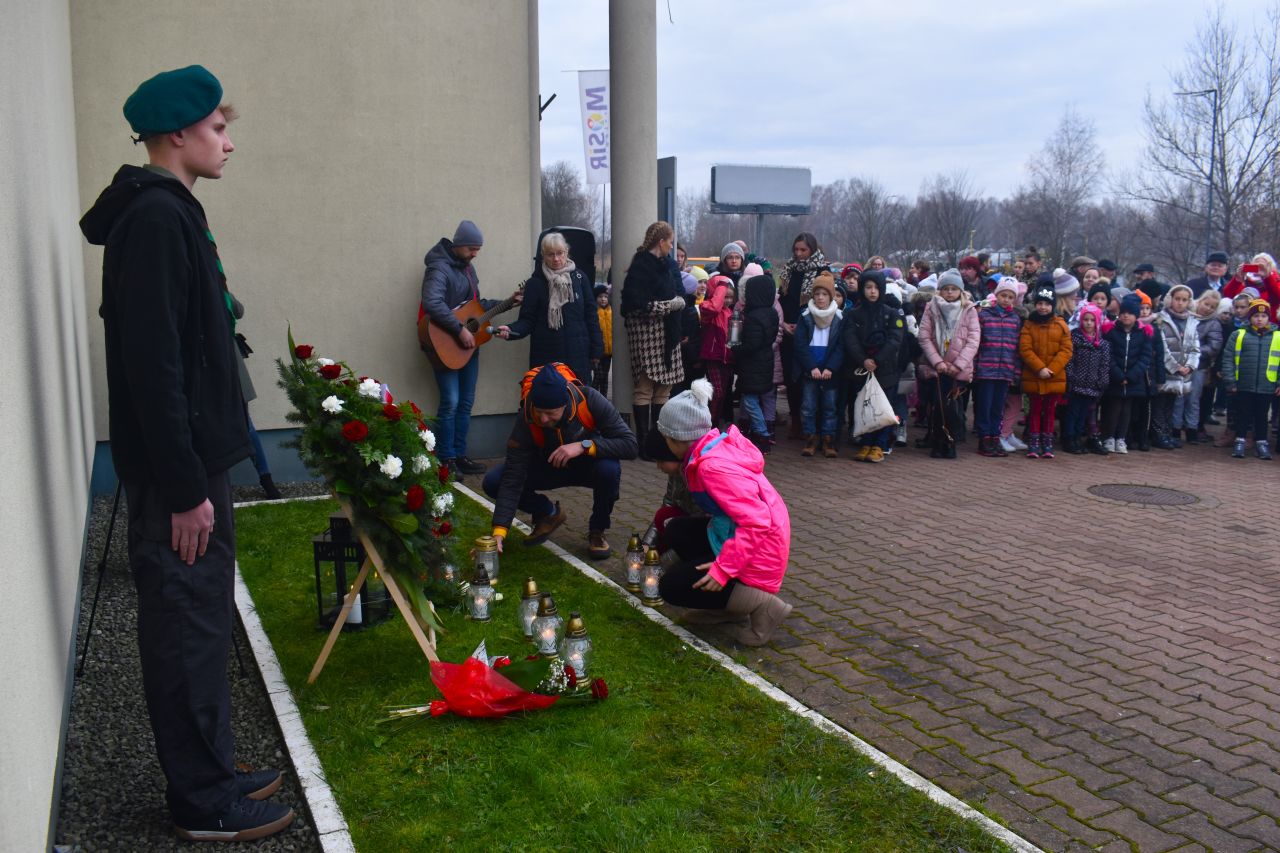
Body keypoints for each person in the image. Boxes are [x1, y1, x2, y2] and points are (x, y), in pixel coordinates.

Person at [79, 65, 293, 841]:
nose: (228, 143)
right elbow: (154, 365)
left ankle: (213, 766)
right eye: (217, 129)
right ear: (178, 134)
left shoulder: (170, 212)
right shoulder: (155, 220)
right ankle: (203, 802)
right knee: (183, 626)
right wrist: (182, 488)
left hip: (195, 463)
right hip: (180, 474)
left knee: (200, 621)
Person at [651, 380, 793, 646]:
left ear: (675, 439)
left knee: (671, 587)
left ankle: (763, 605)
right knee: (678, 530)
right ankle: (728, 608)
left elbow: (757, 522)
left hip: (762, 551)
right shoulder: (710, 449)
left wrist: (723, 569)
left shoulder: (711, 468)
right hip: (742, 537)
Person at [484, 363, 639, 559]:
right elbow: (513, 476)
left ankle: (597, 531)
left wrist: (584, 446)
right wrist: (499, 531)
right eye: (539, 411)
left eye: (550, 413)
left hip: (587, 465)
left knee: (609, 469)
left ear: (565, 404)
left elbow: (630, 444)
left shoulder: (590, 399)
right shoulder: (526, 416)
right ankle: (547, 512)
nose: (543, 419)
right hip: (549, 466)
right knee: (494, 481)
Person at [420, 219, 522, 477]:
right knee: (451, 402)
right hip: (444, 345)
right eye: (472, 248)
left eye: (478, 249)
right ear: (459, 244)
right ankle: (446, 459)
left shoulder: (468, 269)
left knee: (466, 402)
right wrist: (459, 330)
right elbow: (432, 302)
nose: (475, 254)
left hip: (468, 347)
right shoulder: (438, 267)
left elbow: (475, 306)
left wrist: (509, 302)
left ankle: (459, 454)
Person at [497, 230, 602, 381]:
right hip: (546, 358)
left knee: (579, 396)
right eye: (550, 254)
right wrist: (511, 330)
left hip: (578, 356)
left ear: (567, 252)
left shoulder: (580, 279)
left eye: (560, 253)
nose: (556, 259)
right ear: (543, 255)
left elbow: (591, 316)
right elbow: (527, 320)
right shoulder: (534, 283)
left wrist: (596, 350)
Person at [621, 221, 686, 455]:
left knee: (664, 390)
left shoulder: (669, 265)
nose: (672, 246)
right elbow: (634, 305)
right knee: (644, 388)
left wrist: (676, 304)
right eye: (670, 242)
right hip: (647, 334)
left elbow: (680, 293)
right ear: (661, 242)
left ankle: (657, 442)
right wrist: (669, 305)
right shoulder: (641, 266)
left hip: (669, 333)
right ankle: (644, 445)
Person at [917, 269, 980, 458]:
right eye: (946, 289)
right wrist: (937, 362)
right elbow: (924, 336)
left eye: (954, 289)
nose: (950, 292)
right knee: (937, 405)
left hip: (957, 369)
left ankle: (951, 442)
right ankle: (938, 441)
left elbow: (973, 340)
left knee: (953, 406)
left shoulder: (969, 310)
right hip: (937, 367)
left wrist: (958, 365)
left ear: (960, 290)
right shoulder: (931, 308)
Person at [844, 270, 905, 462]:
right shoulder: (853, 314)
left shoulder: (891, 314)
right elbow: (850, 339)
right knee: (864, 407)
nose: (872, 291)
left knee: (883, 408)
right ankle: (866, 442)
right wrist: (863, 360)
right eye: (868, 287)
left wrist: (877, 359)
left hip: (885, 370)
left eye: (876, 288)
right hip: (861, 369)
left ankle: (881, 444)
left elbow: (895, 339)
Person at [778, 233, 828, 438]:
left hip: (811, 330)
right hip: (789, 330)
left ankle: (813, 422)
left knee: (809, 376)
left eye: (803, 250)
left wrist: (803, 325)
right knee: (791, 377)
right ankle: (796, 419)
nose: (799, 254)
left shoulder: (822, 271)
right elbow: (782, 299)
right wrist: (783, 323)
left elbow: (824, 302)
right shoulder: (788, 270)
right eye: (796, 249)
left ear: (812, 250)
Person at [793, 272, 845, 458]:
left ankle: (828, 439)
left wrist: (831, 367)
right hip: (811, 371)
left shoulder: (839, 317)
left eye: (824, 294)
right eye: (817, 294)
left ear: (831, 296)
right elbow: (800, 345)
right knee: (808, 407)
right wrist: (811, 367)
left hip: (830, 372)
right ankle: (811, 438)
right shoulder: (805, 316)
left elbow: (841, 346)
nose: (820, 298)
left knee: (830, 407)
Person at [1019, 286, 1073, 458]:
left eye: (1047, 304)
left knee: (1050, 411)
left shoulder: (1061, 325)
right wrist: (1039, 368)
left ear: (1053, 306)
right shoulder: (1029, 324)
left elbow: (1066, 350)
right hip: (1034, 376)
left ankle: (1047, 441)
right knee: (1035, 410)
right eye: (1040, 303)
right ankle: (1034, 441)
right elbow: (1025, 349)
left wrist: (1052, 370)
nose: (1043, 307)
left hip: (1054, 377)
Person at [1224, 299, 1280, 459]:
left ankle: (1261, 443)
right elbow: (1228, 358)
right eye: (1256, 316)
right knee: (1243, 414)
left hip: (1267, 384)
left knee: (1262, 415)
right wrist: (1230, 381)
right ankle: (1240, 441)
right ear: (1250, 317)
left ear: (1269, 318)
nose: (1260, 319)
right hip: (1243, 383)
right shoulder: (1239, 335)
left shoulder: (1277, 337)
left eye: (1263, 316)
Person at [973, 279, 1023, 457]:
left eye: (1010, 297)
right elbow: (977, 344)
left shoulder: (1015, 319)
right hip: (986, 370)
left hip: (1005, 371)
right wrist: (974, 367)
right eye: (1003, 295)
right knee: (985, 406)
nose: (1006, 299)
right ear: (997, 295)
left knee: (998, 407)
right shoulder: (984, 316)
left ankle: (995, 437)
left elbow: (1016, 348)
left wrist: (1015, 372)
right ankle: (984, 439)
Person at [734, 273, 782, 453]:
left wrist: (736, 348)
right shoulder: (771, 313)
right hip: (765, 361)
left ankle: (762, 434)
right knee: (758, 397)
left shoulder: (754, 317)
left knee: (750, 400)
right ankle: (758, 433)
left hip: (753, 365)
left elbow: (751, 344)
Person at [1100, 295, 1153, 453]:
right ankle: (1109, 437)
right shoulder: (1111, 332)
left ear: (1136, 315)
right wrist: (1118, 374)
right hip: (1115, 378)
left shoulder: (1143, 333)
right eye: (1123, 312)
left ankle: (1121, 438)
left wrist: (1131, 376)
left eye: (1129, 313)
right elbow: (1108, 355)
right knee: (1113, 408)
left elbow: (1145, 357)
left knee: (1127, 410)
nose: (1125, 316)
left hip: (1133, 380)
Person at [1150, 284, 1200, 447]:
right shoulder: (1161, 319)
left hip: (1183, 372)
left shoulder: (1192, 321)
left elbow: (1195, 347)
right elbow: (1162, 347)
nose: (1180, 303)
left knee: (1171, 404)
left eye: (1184, 300)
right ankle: (1158, 434)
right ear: (1170, 299)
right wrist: (1175, 367)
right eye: (1177, 299)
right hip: (1166, 371)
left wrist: (1190, 366)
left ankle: (1167, 433)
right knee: (1160, 403)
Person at [1063, 303, 1111, 455]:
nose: (1089, 323)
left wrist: (1102, 382)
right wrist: (1071, 377)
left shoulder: (1102, 344)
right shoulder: (1075, 339)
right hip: (1076, 384)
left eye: (1092, 320)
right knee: (1073, 413)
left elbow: (1104, 365)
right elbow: (1070, 361)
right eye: (1086, 320)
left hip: (1092, 386)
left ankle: (1078, 438)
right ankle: (1069, 439)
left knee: (1083, 414)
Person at [698, 273, 736, 427]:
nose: (727, 300)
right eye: (724, 296)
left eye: (730, 297)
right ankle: (709, 423)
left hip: (727, 358)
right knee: (717, 392)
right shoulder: (707, 307)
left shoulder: (731, 313)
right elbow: (715, 307)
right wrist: (722, 284)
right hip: (713, 357)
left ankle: (714, 422)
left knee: (722, 394)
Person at [1191, 290, 1225, 441]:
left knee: (1195, 398)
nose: (1208, 309)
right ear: (1200, 301)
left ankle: (1194, 428)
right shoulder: (1187, 315)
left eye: (1213, 307)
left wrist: (1193, 351)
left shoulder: (1214, 323)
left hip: (1200, 365)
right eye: (1206, 304)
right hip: (1178, 363)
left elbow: (1214, 346)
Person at [592, 284, 613, 396]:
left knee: (604, 376)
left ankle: (603, 397)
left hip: (608, 351)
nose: (603, 299)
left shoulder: (611, 311)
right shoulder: (594, 312)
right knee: (598, 376)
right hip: (598, 351)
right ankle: (593, 396)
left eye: (605, 296)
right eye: (600, 297)